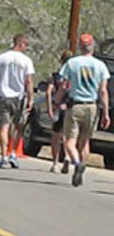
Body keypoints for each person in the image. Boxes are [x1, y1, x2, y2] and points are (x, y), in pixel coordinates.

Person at [56, 33, 110, 187]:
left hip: (75, 105)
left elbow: (63, 85)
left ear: (80, 47)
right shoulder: (100, 66)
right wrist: (105, 112)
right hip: (92, 106)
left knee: (70, 141)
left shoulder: (72, 63)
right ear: (92, 47)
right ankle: (82, 166)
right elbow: (103, 91)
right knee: (85, 141)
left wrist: (56, 101)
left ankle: (77, 162)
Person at [0, 33, 35, 168]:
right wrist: (30, 98)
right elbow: (29, 81)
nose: (25, 47)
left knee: (4, 127)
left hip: (4, 96)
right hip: (18, 97)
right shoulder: (26, 61)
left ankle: (4, 156)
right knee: (16, 126)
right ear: (21, 44)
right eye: (25, 44)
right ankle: (12, 152)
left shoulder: (3, 58)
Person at [45, 50, 73, 173]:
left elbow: (48, 92)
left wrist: (50, 108)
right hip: (71, 107)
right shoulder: (74, 76)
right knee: (68, 135)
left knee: (56, 136)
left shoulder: (56, 76)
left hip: (58, 106)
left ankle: (55, 162)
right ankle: (67, 156)